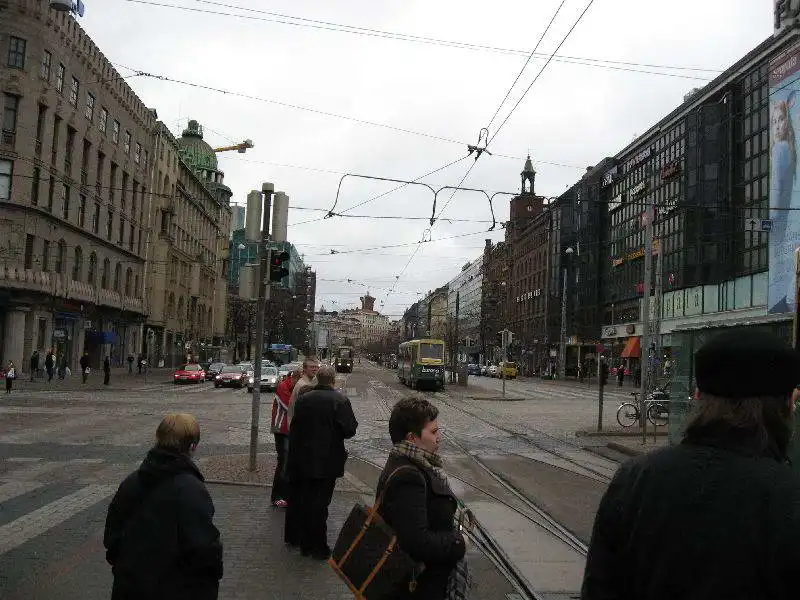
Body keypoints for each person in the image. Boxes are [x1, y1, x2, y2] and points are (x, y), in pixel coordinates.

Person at [581, 329, 800, 600]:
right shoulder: (790, 497)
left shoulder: (635, 479)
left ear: (697, 397)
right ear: (788, 405)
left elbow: (599, 588)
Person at [104, 413, 223, 600]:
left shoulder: (131, 482)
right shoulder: (191, 490)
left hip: (130, 587)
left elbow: (112, 535)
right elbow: (203, 548)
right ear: (192, 447)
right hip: (176, 589)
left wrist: (124, 567)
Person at [376, 397, 471, 599]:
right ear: (412, 437)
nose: (439, 438)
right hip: (419, 587)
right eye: (433, 432)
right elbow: (417, 542)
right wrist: (459, 541)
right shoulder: (408, 476)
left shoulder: (412, 463)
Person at [285, 365, 357, 559]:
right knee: (321, 504)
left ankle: (306, 544)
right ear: (332, 380)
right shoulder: (340, 400)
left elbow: (295, 428)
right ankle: (319, 546)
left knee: (307, 501)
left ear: (317, 379)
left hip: (304, 458)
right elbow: (350, 430)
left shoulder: (304, 399)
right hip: (328, 460)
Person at [271, 368, 301, 508]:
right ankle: (277, 496)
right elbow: (289, 406)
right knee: (283, 462)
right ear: (294, 378)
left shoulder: (295, 387)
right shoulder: (283, 386)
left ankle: (288, 494)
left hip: (291, 429)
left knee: (290, 462)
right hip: (282, 428)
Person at [287, 356, 320, 424]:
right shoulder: (303, 385)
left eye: (317, 367)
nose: (315, 369)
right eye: (312, 367)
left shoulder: (309, 382)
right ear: (304, 369)